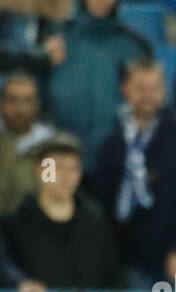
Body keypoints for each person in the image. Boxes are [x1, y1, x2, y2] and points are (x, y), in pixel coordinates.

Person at [91, 57, 176, 288]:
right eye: (140, 88)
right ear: (125, 89)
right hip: (132, 260)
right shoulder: (112, 141)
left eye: (155, 88)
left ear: (164, 91)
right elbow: (103, 201)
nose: (148, 95)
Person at [0, 133, 117, 292]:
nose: (66, 176)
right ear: (39, 169)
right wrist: (21, 284)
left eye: (73, 168)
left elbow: (112, 276)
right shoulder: (15, 224)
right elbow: (5, 270)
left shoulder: (96, 222)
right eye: (57, 167)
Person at [44, 0, 149, 174]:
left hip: (117, 162)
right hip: (62, 159)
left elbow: (148, 103)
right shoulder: (56, 39)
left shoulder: (133, 45)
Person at [1, 71, 54, 154]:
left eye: (28, 101)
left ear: (37, 105)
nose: (20, 109)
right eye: (12, 100)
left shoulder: (50, 143)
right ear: (2, 103)